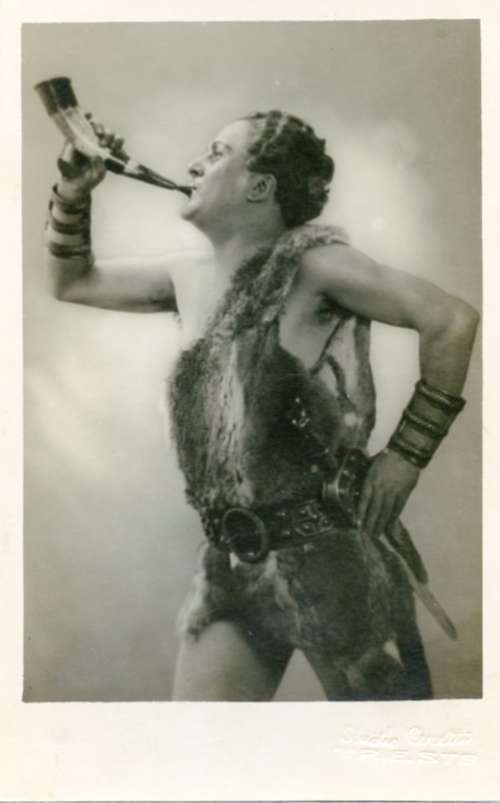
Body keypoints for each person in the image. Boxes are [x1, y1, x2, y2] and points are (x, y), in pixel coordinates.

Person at [44, 110, 479, 701]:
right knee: (201, 748)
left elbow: (451, 320)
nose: (195, 164)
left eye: (217, 152)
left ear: (260, 186)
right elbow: (73, 281)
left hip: (332, 558)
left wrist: (406, 457)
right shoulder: (186, 275)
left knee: (390, 745)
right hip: (233, 563)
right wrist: (74, 190)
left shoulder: (316, 264)